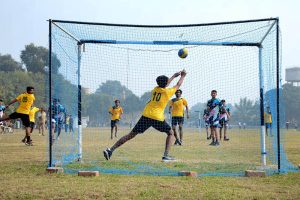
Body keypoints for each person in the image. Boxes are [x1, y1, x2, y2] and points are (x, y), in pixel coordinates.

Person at [103, 69, 187, 162]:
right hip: (157, 118)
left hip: (146, 116)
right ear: (166, 83)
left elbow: (165, 84)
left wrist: (173, 76)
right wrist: (182, 76)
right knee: (171, 133)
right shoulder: (167, 93)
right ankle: (166, 156)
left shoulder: (155, 89)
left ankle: (110, 150)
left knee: (130, 135)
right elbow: (178, 85)